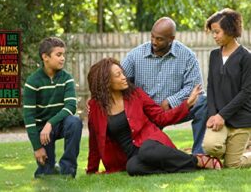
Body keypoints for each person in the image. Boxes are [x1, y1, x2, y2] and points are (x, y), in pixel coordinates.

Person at [86, 58, 221, 175]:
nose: (124, 77)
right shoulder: (95, 107)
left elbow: (161, 117)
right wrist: (91, 170)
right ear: (106, 82)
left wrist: (186, 104)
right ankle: (183, 164)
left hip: (152, 145)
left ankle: (199, 160)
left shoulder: (136, 94)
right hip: (133, 157)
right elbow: (95, 141)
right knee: (132, 168)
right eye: (118, 75)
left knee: (146, 150)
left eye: (123, 73)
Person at [121, 17, 207, 154]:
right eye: (152, 36)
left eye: (159, 39)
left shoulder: (187, 56)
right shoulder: (135, 55)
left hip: (176, 109)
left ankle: (199, 154)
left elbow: (194, 87)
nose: (154, 42)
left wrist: (170, 102)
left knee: (203, 102)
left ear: (171, 38)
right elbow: (120, 81)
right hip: (147, 113)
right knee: (145, 154)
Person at [23, 37, 82, 178]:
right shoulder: (32, 82)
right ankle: (50, 167)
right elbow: (29, 117)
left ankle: (68, 170)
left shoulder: (67, 78)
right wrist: (37, 147)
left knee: (75, 121)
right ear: (45, 57)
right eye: (58, 54)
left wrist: (50, 123)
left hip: (59, 125)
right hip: (41, 132)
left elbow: (71, 106)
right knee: (46, 173)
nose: (63, 58)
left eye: (63, 55)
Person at [202, 9, 251, 168]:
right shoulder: (214, 56)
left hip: (242, 119)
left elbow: (246, 92)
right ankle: (237, 147)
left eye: (217, 32)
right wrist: (212, 115)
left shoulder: (246, 57)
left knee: (232, 165)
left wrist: (222, 115)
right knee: (210, 146)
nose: (214, 36)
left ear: (230, 30)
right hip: (218, 119)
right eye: (212, 32)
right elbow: (211, 87)